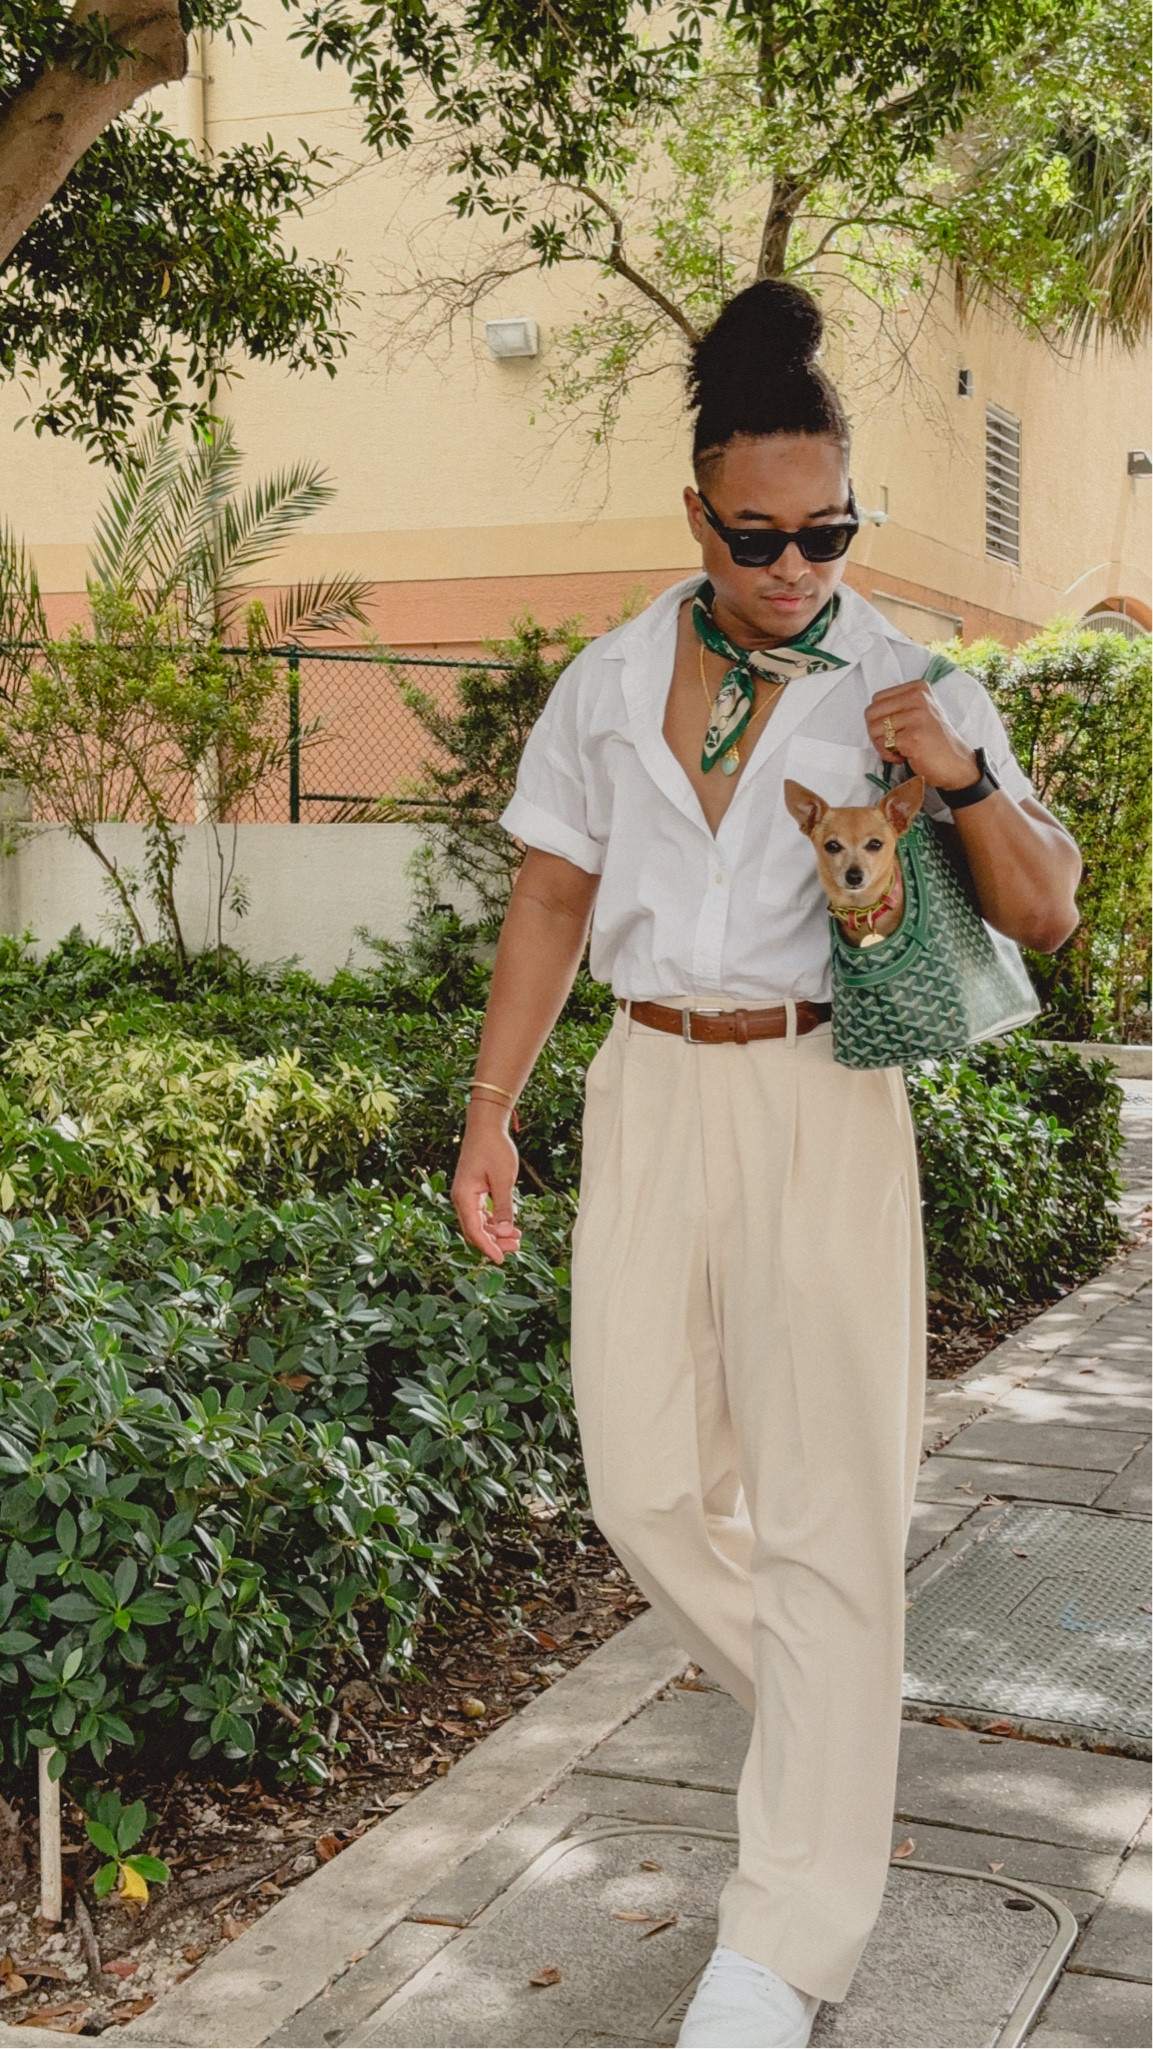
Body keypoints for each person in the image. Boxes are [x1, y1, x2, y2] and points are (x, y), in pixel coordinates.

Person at [451, 279, 1080, 2049]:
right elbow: (555, 896)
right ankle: (838, 1724)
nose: (795, 563)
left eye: (827, 530)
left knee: (821, 1517)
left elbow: (1046, 909)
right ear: (697, 514)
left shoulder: (904, 675)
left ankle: (781, 1938)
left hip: (819, 1099)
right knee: (642, 1480)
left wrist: (955, 773)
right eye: (759, 533)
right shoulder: (603, 677)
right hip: (649, 1088)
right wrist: (493, 1105)